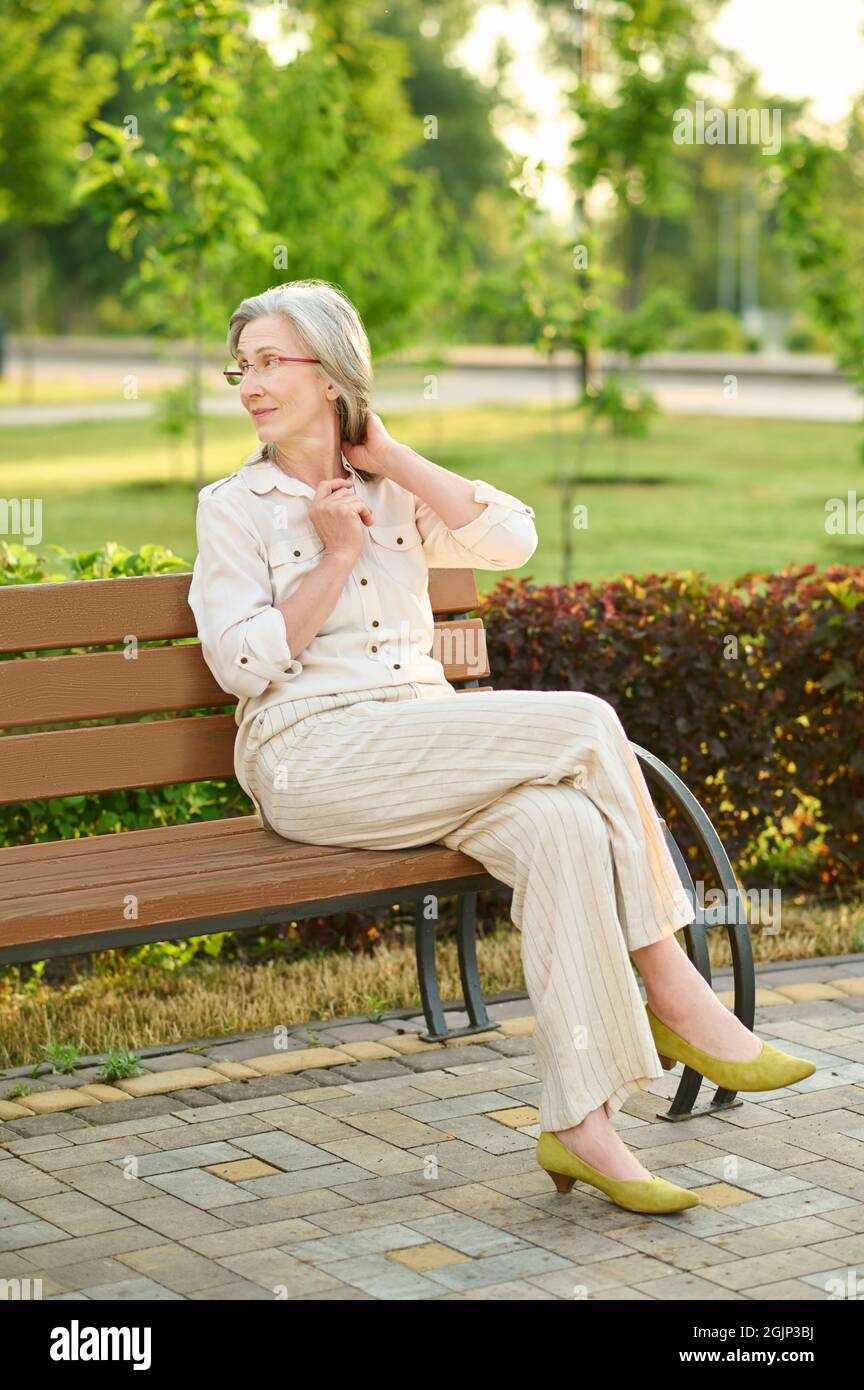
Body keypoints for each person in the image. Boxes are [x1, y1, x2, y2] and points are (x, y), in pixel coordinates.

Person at [188, 279, 815, 1216]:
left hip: (420, 740)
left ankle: (579, 1127)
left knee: (561, 826)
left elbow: (510, 537)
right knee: (585, 719)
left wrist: (391, 455)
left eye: (272, 360)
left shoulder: (394, 488)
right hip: (310, 756)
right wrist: (334, 560)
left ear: (333, 374)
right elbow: (240, 665)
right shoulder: (233, 506)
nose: (251, 383)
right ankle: (675, 988)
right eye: (244, 365)